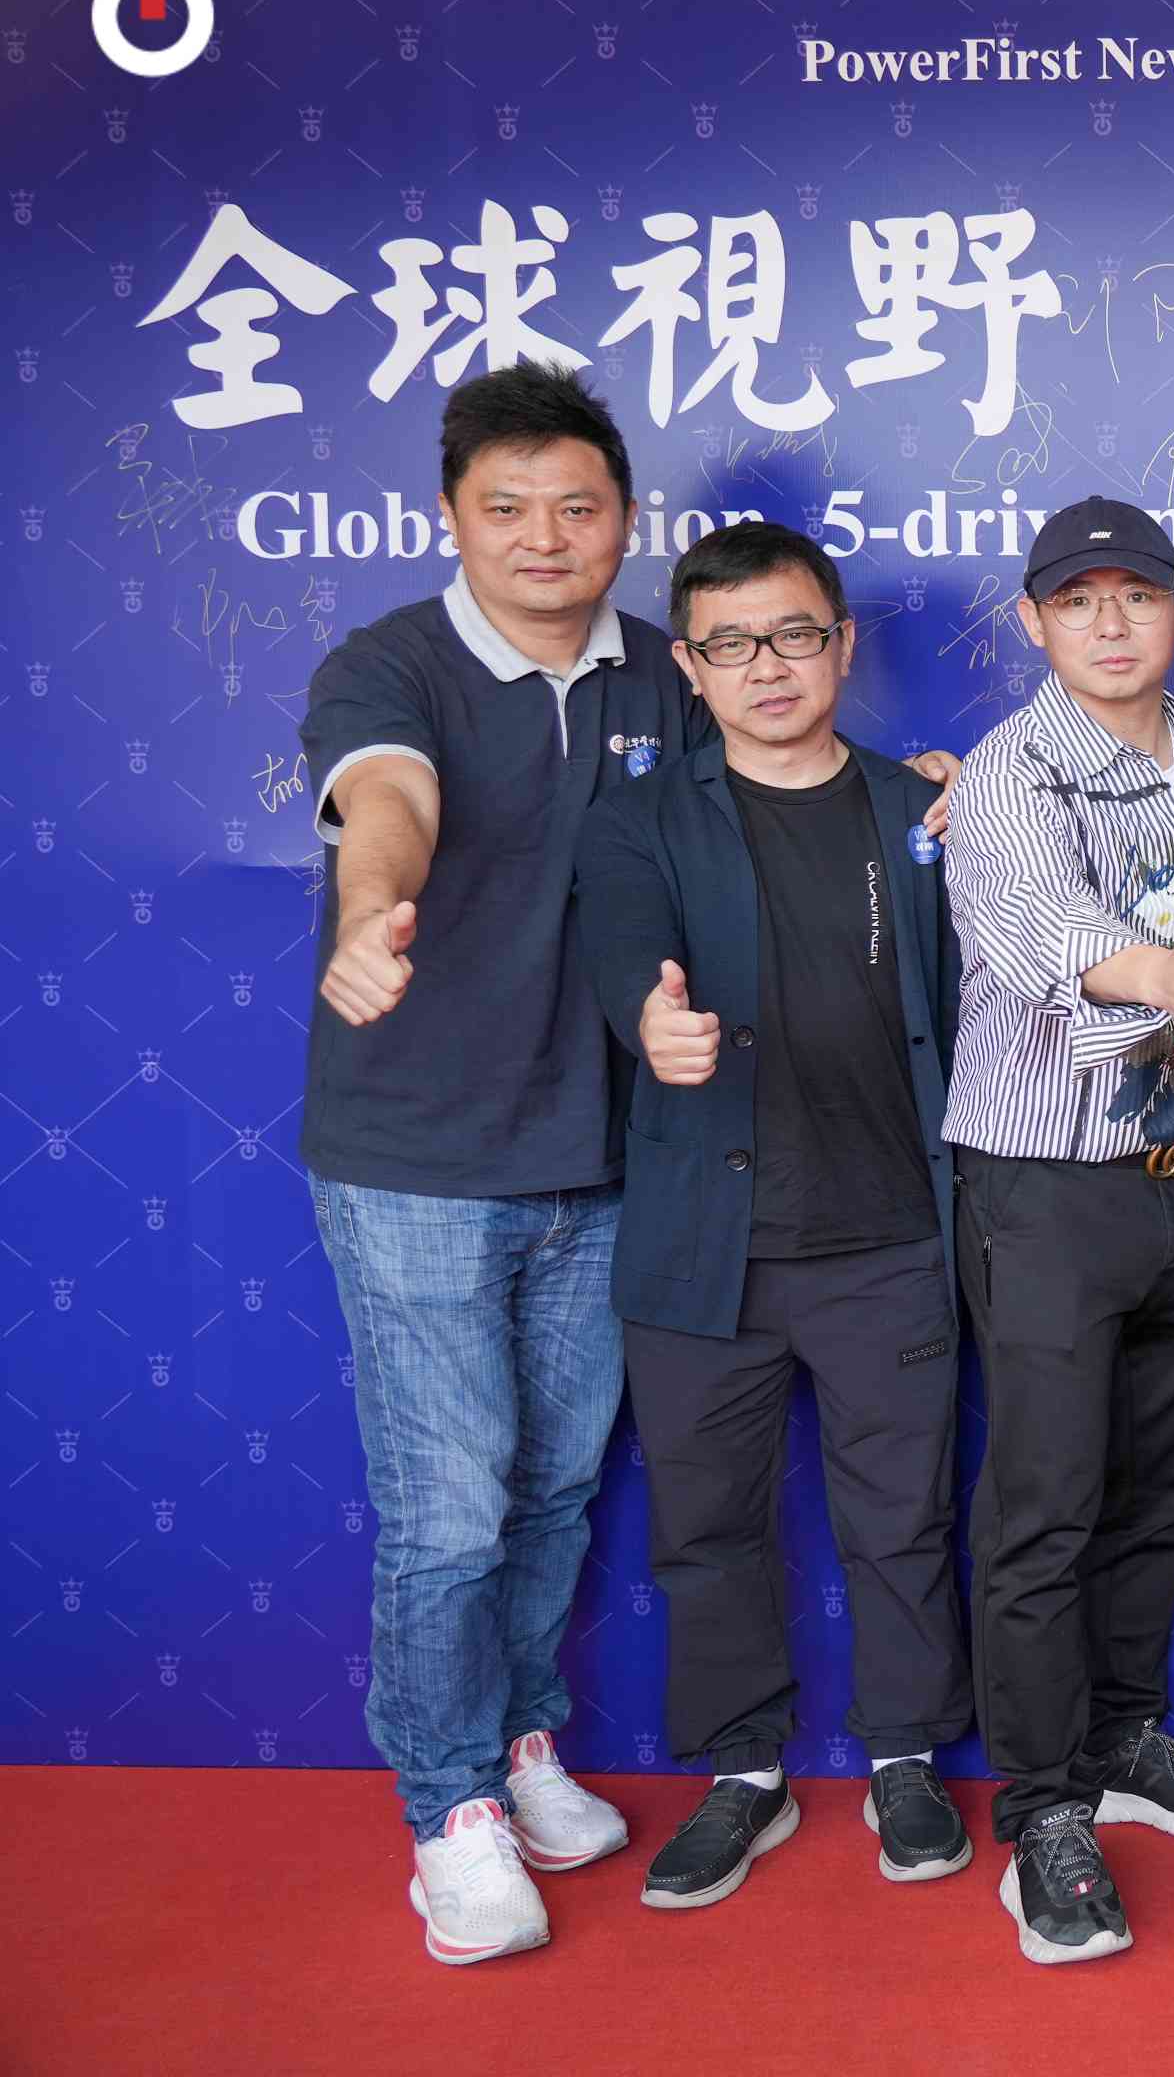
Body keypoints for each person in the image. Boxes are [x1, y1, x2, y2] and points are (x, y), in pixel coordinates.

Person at [297, 361, 688, 1964]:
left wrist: (927, 791)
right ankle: (447, 1806)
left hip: (600, 1155)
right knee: (450, 1510)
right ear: (451, 518)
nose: (544, 537)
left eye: (576, 507)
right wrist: (371, 908)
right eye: (507, 508)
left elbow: (775, 790)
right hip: (419, 1162)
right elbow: (387, 796)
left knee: (553, 1492)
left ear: (625, 521)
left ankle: (523, 1740)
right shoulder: (388, 665)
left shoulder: (664, 672)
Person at [572, 521, 975, 1912]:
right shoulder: (640, 818)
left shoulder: (925, 810)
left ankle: (907, 1757)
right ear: (689, 666)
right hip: (705, 1243)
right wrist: (652, 1024)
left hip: (892, 1235)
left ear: (842, 645)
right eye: (731, 644)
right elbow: (626, 953)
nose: (768, 666)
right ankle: (744, 1772)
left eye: (795, 634)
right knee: (706, 1527)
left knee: (902, 1519)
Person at [941, 497, 1174, 1965]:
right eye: (1076, 600)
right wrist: (1159, 977)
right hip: (1045, 1182)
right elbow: (1042, 937)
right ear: (1033, 621)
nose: (1109, 622)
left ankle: (1123, 1734)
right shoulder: (1008, 774)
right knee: (1045, 1505)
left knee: (1157, 1485)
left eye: (1135, 596)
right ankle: (1043, 1811)